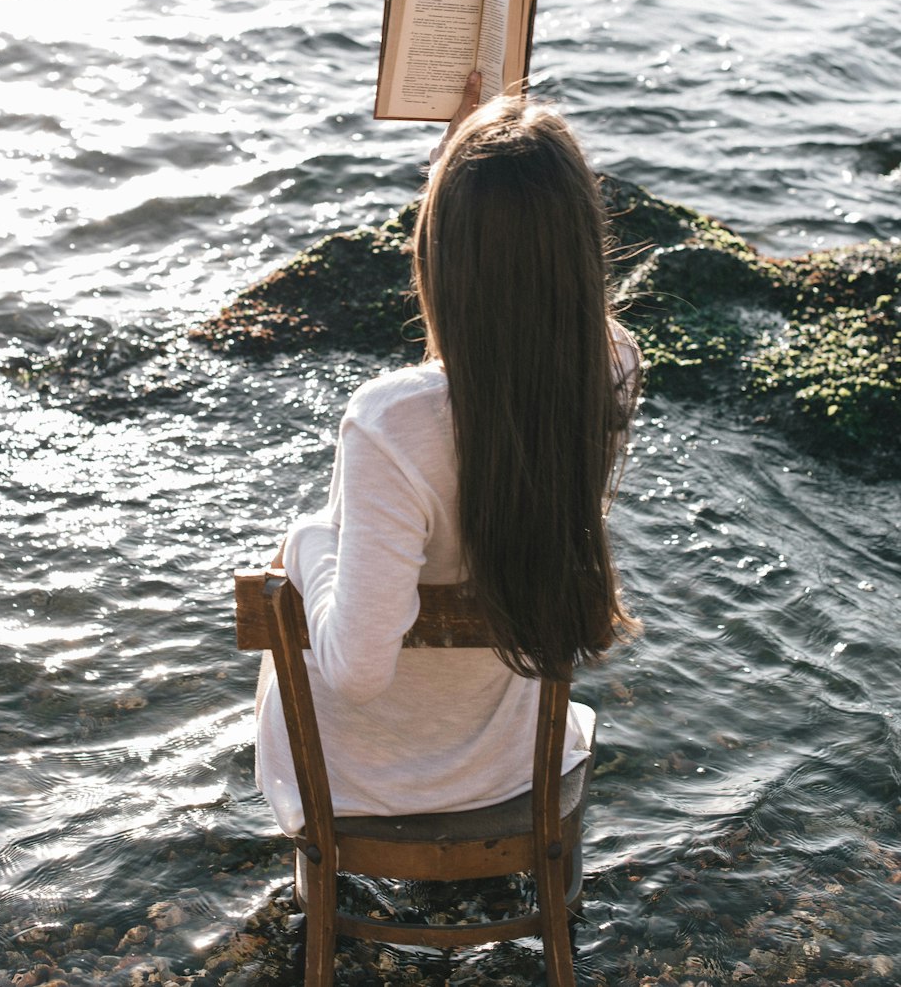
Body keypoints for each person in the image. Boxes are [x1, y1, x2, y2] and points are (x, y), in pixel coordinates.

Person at [255, 77, 641, 838]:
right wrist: (476, 161)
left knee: (312, 552)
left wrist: (308, 546)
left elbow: (359, 673)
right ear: (582, 245)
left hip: (358, 791)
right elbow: (539, 310)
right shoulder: (610, 370)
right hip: (514, 772)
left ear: (438, 254)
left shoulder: (391, 422)